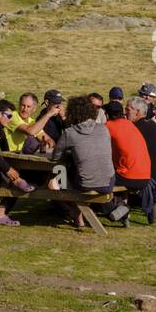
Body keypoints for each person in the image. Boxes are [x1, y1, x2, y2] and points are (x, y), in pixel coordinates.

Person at [47, 94, 118, 227]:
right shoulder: (103, 129)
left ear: (72, 112)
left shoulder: (70, 133)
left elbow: (55, 157)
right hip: (108, 182)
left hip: (85, 184)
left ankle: (74, 212)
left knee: (59, 172)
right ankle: (77, 213)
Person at [125, 96, 156, 208]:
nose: (125, 112)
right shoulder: (151, 124)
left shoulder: (136, 129)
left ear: (137, 112)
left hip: (153, 175)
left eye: (128, 110)